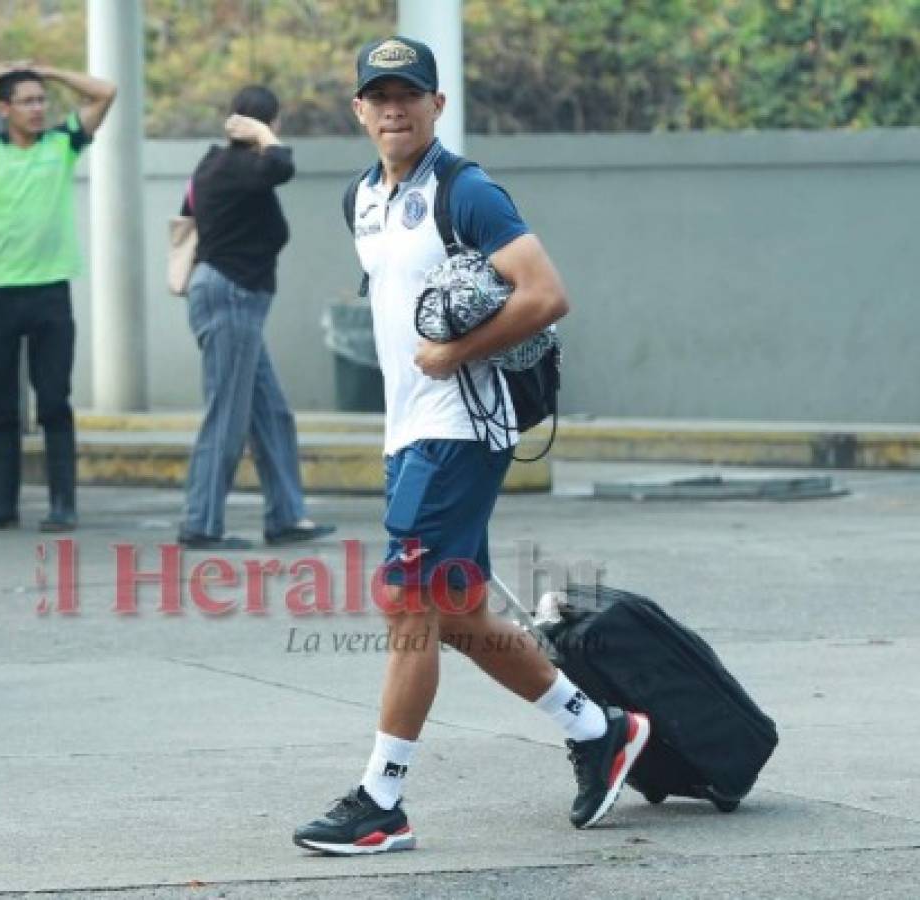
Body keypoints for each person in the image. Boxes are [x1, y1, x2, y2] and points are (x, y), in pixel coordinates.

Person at [292, 37, 650, 855]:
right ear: (357, 110)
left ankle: (382, 801)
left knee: (408, 606)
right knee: (455, 613)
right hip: (408, 432)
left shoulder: (467, 189)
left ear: (436, 106)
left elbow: (547, 294)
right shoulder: (361, 200)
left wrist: (456, 352)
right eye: (378, 95)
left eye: (409, 94)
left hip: (458, 431)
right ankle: (597, 730)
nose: (394, 108)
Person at [0, 61, 116, 532]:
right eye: (27, 101)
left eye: (41, 100)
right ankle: (0, 506)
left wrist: (51, 71)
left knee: (54, 401)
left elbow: (105, 93)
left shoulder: (62, 144)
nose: (37, 109)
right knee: (0, 404)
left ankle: (63, 504)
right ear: (3, 109)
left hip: (50, 293)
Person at [177, 85, 334, 550]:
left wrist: (260, 134)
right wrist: (265, 134)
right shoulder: (235, 166)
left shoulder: (221, 167)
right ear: (270, 124)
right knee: (227, 414)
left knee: (271, 413)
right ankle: (201, 524)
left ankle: (285, 518)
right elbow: (282, 165)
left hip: (233, 297)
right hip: (231, 296)